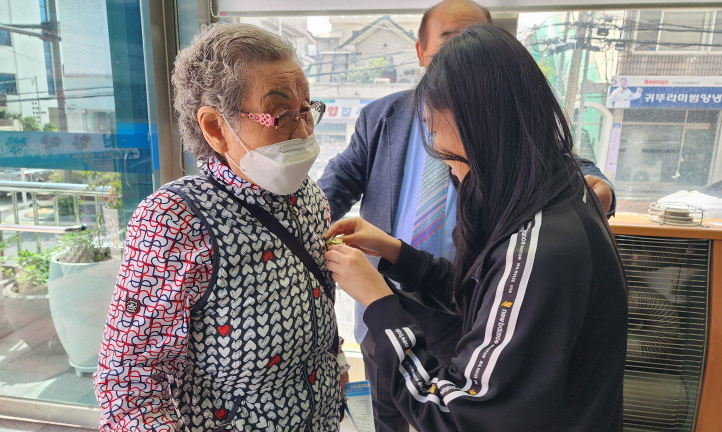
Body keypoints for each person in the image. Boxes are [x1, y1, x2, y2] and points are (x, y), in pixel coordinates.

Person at [317, 1, 615, 430]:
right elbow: (480, 292)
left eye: (436, 132)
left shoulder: (534, 248)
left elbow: (453, 416)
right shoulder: (554, 191)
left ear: (479, 116)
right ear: (422, 52)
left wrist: (378, 301)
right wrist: (398, 254)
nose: (440, 155)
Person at [94, 23, 344, 431]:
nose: (302, 132)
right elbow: (130, 386)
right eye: (280, 115)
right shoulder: (175, 219)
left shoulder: (310, 197)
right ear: (215, 127)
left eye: (306, 110)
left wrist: (335, 364)